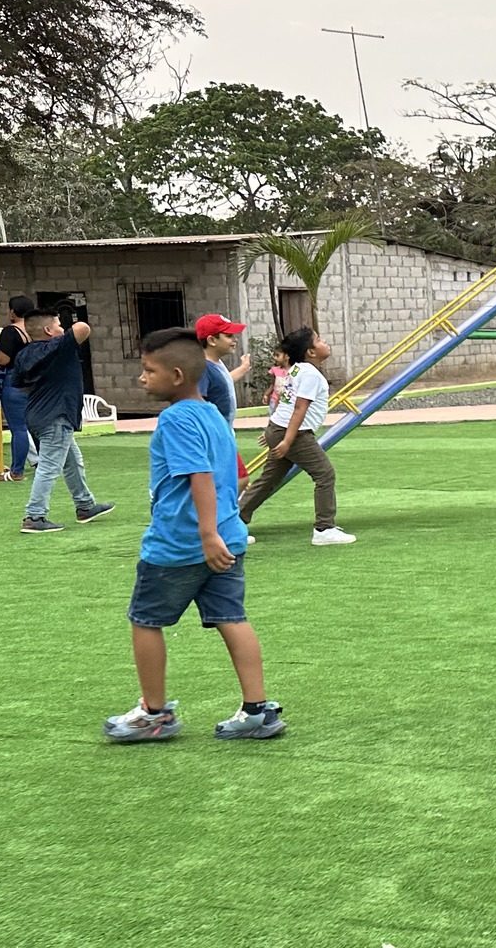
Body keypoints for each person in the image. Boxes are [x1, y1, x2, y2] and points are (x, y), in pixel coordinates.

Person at [103, 327, 282, 744]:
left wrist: (206, 534)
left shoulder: (176, 419)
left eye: (149, 370)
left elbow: (199, 475)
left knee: (145, 620)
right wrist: (219, 530)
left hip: (180, 544)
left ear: (177, 375)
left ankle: (154, 713)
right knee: (231, 618)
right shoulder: (214, 415)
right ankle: (256, 710)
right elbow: (236, 475)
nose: (142, 378)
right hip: (228, 539)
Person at [238, 327, 355, 545]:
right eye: (319, 340)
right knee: (324, 474)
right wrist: (287, 441)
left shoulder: (297, 370)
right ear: (311, 352)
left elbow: (285, 400)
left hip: (279, 429)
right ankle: (324, 529)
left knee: (268, 480)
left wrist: (272, 430)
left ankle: (232, 524)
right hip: (294, 434)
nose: (324, 341)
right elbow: (299, 408)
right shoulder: (310, 374)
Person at [12, 303, 112, 533]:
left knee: (72, 460)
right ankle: (35, 516)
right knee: (49, 466)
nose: (62, 329)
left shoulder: (24, 354)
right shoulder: (59, 345)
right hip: (57, 415)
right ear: (48, 330)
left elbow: (20, 383)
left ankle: (85, 505)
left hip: (37, 414)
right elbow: (83, 327)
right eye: (58, 325)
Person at [195, 314, 250, 482]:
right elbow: (196, 401)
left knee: (236, 480)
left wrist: (243, 368)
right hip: (214, 436)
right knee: (239, 480)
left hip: (223, 433)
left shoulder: (216, 363)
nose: (234, 340)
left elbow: (223, 384)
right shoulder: (203, 368)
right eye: (229, 336)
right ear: (212, 340)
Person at [0, 295, 33, 479]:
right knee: (37, 428)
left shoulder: (11, 331)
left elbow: (3, 359)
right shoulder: (37, 330)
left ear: (13, 312)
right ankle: (48, 465)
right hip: (35, 382)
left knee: (19, 428)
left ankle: (17, 471)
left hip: (14, 381)